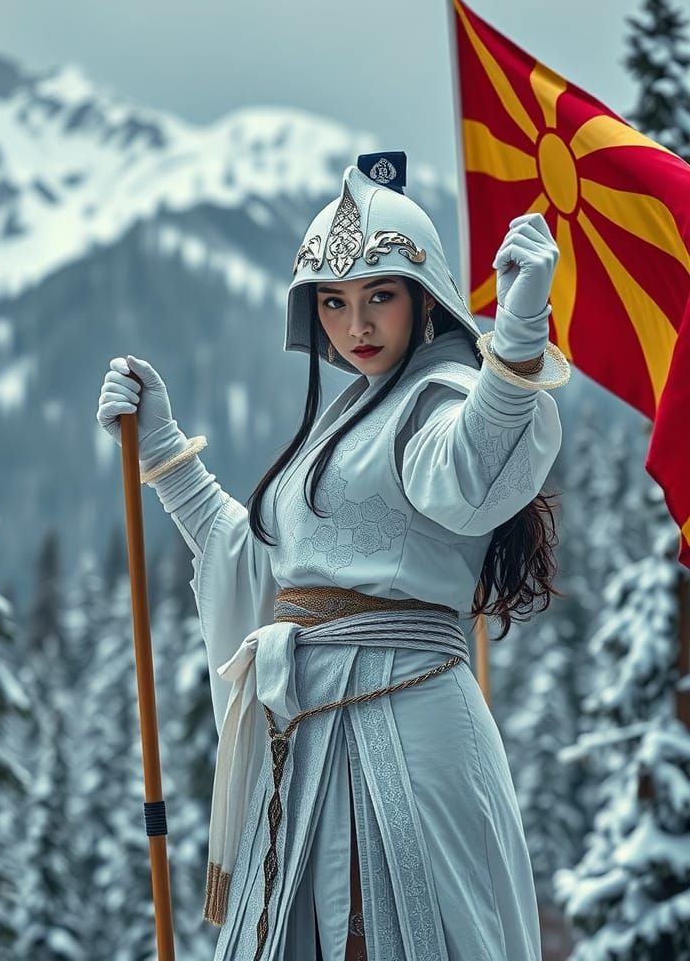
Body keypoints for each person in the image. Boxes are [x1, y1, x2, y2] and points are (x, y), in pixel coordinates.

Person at [96, 150, 570, 961]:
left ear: (425, 300)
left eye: (381, 296)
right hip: (307, 737)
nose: (357, 325)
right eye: (335, 302)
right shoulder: (348, 415)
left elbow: (471, 475)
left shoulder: (445, 393)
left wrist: (518, 342)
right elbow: (259, 559)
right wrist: (165, 448)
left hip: (407, 724)